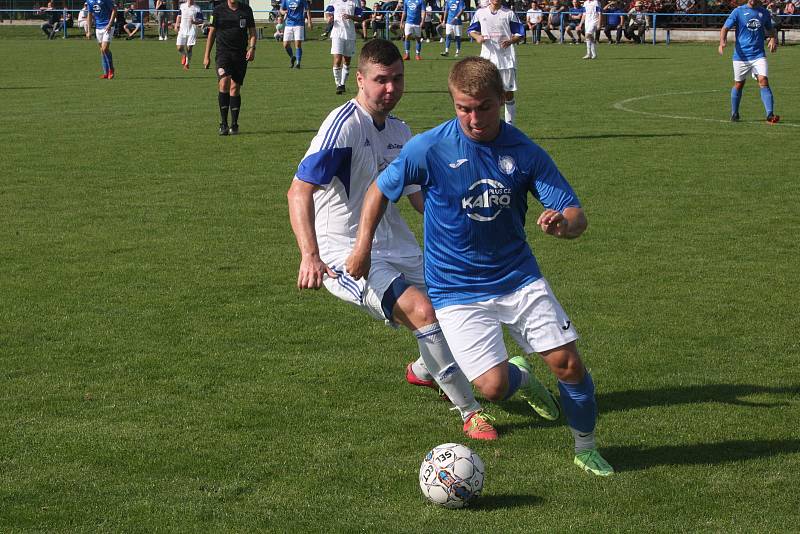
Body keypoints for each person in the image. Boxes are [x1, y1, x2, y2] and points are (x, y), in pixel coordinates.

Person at [347, 56, 615, 477]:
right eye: (463, 108)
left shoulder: (524, 152)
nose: (473, 118)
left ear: (502, 99)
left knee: (569, 364)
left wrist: (565, 224)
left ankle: (586, 447)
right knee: (492, 387)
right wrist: (362, 247)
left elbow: (575, 213)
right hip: (456, 290)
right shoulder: (429, 148)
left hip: (518, 278)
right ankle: (522, 380)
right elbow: (379, 190)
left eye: (484, 107)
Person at [287, 39, 506, 442]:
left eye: (397, 80)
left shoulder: (402, 132)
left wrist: (469, 229)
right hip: (347, 253)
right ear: (360, 79)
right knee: (423, 312)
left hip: (399, 246)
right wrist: (310, 256)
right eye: (381, 80)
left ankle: (425, 370)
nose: (390, 89)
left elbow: (422, 200)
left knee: (457, 307)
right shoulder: (343, 126)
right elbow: (299, 190)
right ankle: (470, 411)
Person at [719, 0, 779, 123]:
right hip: (741, 56)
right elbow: (725, 28)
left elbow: (770, 28)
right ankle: (734, 113)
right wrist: (722, 42)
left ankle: (770, 115)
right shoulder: (738, 11)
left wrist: (773, 39)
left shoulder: (763, 12)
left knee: (763, 80)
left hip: (758, 55)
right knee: (739, 84)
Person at [203, 0, 256, 135]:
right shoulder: (218, 11)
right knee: (224, 82)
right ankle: (223, 124)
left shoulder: (246, 10)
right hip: (223, 54)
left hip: (240, 55)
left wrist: (252, 48)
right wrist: (206, 55)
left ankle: (234, 124)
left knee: (235, 88)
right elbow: (212, 33)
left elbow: (252, 32)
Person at [467, 0, 524, 125]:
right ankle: (488, 122)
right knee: (483, 93)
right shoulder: (480, 13)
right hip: (487, 60)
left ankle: (510, 125)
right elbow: (471, 30)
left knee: (508, 94)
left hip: (506, 60)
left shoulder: (509, 13)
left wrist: (510, 40)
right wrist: (478, 37)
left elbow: (520, 33)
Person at [325, 0, 362, 94]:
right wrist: (329, 18)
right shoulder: (333, 1)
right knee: (337, 59)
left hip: (349, 34)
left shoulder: (355, 2)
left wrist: (350, 17)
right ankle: (338, 84)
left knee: (347, 60)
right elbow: (328, 13)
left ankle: (342, 84)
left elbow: (360, 18)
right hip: (337, 33)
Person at [86, 0, 117, 78]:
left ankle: (111, 69)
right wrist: (89, 31)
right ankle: (106, 73)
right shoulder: (89, 1)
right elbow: (89, 15)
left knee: (104, 49)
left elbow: (114, 10)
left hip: (108, 27)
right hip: (98, 27)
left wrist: (110, 24)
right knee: (102, 51)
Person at [280, 0, 312, 69]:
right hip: (288, 24)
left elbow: (307, 9)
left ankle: (298, 63)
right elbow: (281, 9)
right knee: (285, 45)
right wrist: (283, 12)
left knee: (297, 44)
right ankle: (292, 57)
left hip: (299, 24)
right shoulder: (285, 0)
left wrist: (309, 21)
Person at [175, 0, 201, 68]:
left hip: (192, 30)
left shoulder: (197, 8)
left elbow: (201, 20)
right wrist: (176, 24)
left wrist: (194, 22)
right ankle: (184, 55)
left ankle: (187, 63)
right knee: (179, 48)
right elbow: (179, 16)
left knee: (189, 48)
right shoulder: (182, 6)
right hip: (182, 29)